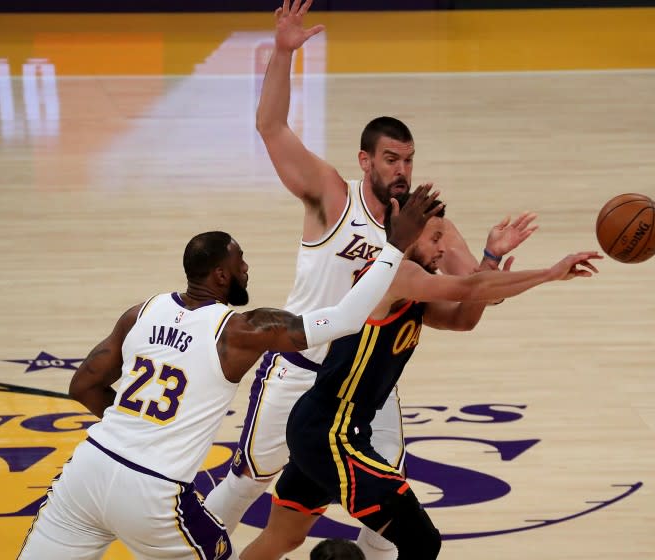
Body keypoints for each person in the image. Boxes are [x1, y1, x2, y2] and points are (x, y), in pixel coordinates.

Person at [203, 4, 538, 557]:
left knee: (388, 523)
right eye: (390, 158)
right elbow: (270, 127)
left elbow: (472, 301)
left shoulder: (434, 225)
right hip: (299, 371)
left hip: (365, 390)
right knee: (244, 484)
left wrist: (490, 256)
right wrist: (284, 51)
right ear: (366, 161)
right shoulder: (334, 197)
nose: (401, 170)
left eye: (408, 159)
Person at [16, 188, 440, 560]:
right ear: (220, 274)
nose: (247, 268)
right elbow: (347, 317)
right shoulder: (239, 330)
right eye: (241, 262)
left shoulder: (141, 311)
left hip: (88, 469)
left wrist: (134, 429)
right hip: (153, 490)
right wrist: (394, 247)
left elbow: (82, 385)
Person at [239, 197, 602, 559]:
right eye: (435, 238)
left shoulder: (412, 288)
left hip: (322, 427)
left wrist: (490, 257)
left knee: (282, 539)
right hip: (330, 433)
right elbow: (469, 289)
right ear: (409, 236)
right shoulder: (397, 275)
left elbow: (463, 318)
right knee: (421, 541)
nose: (442, 249)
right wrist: (551, 273)